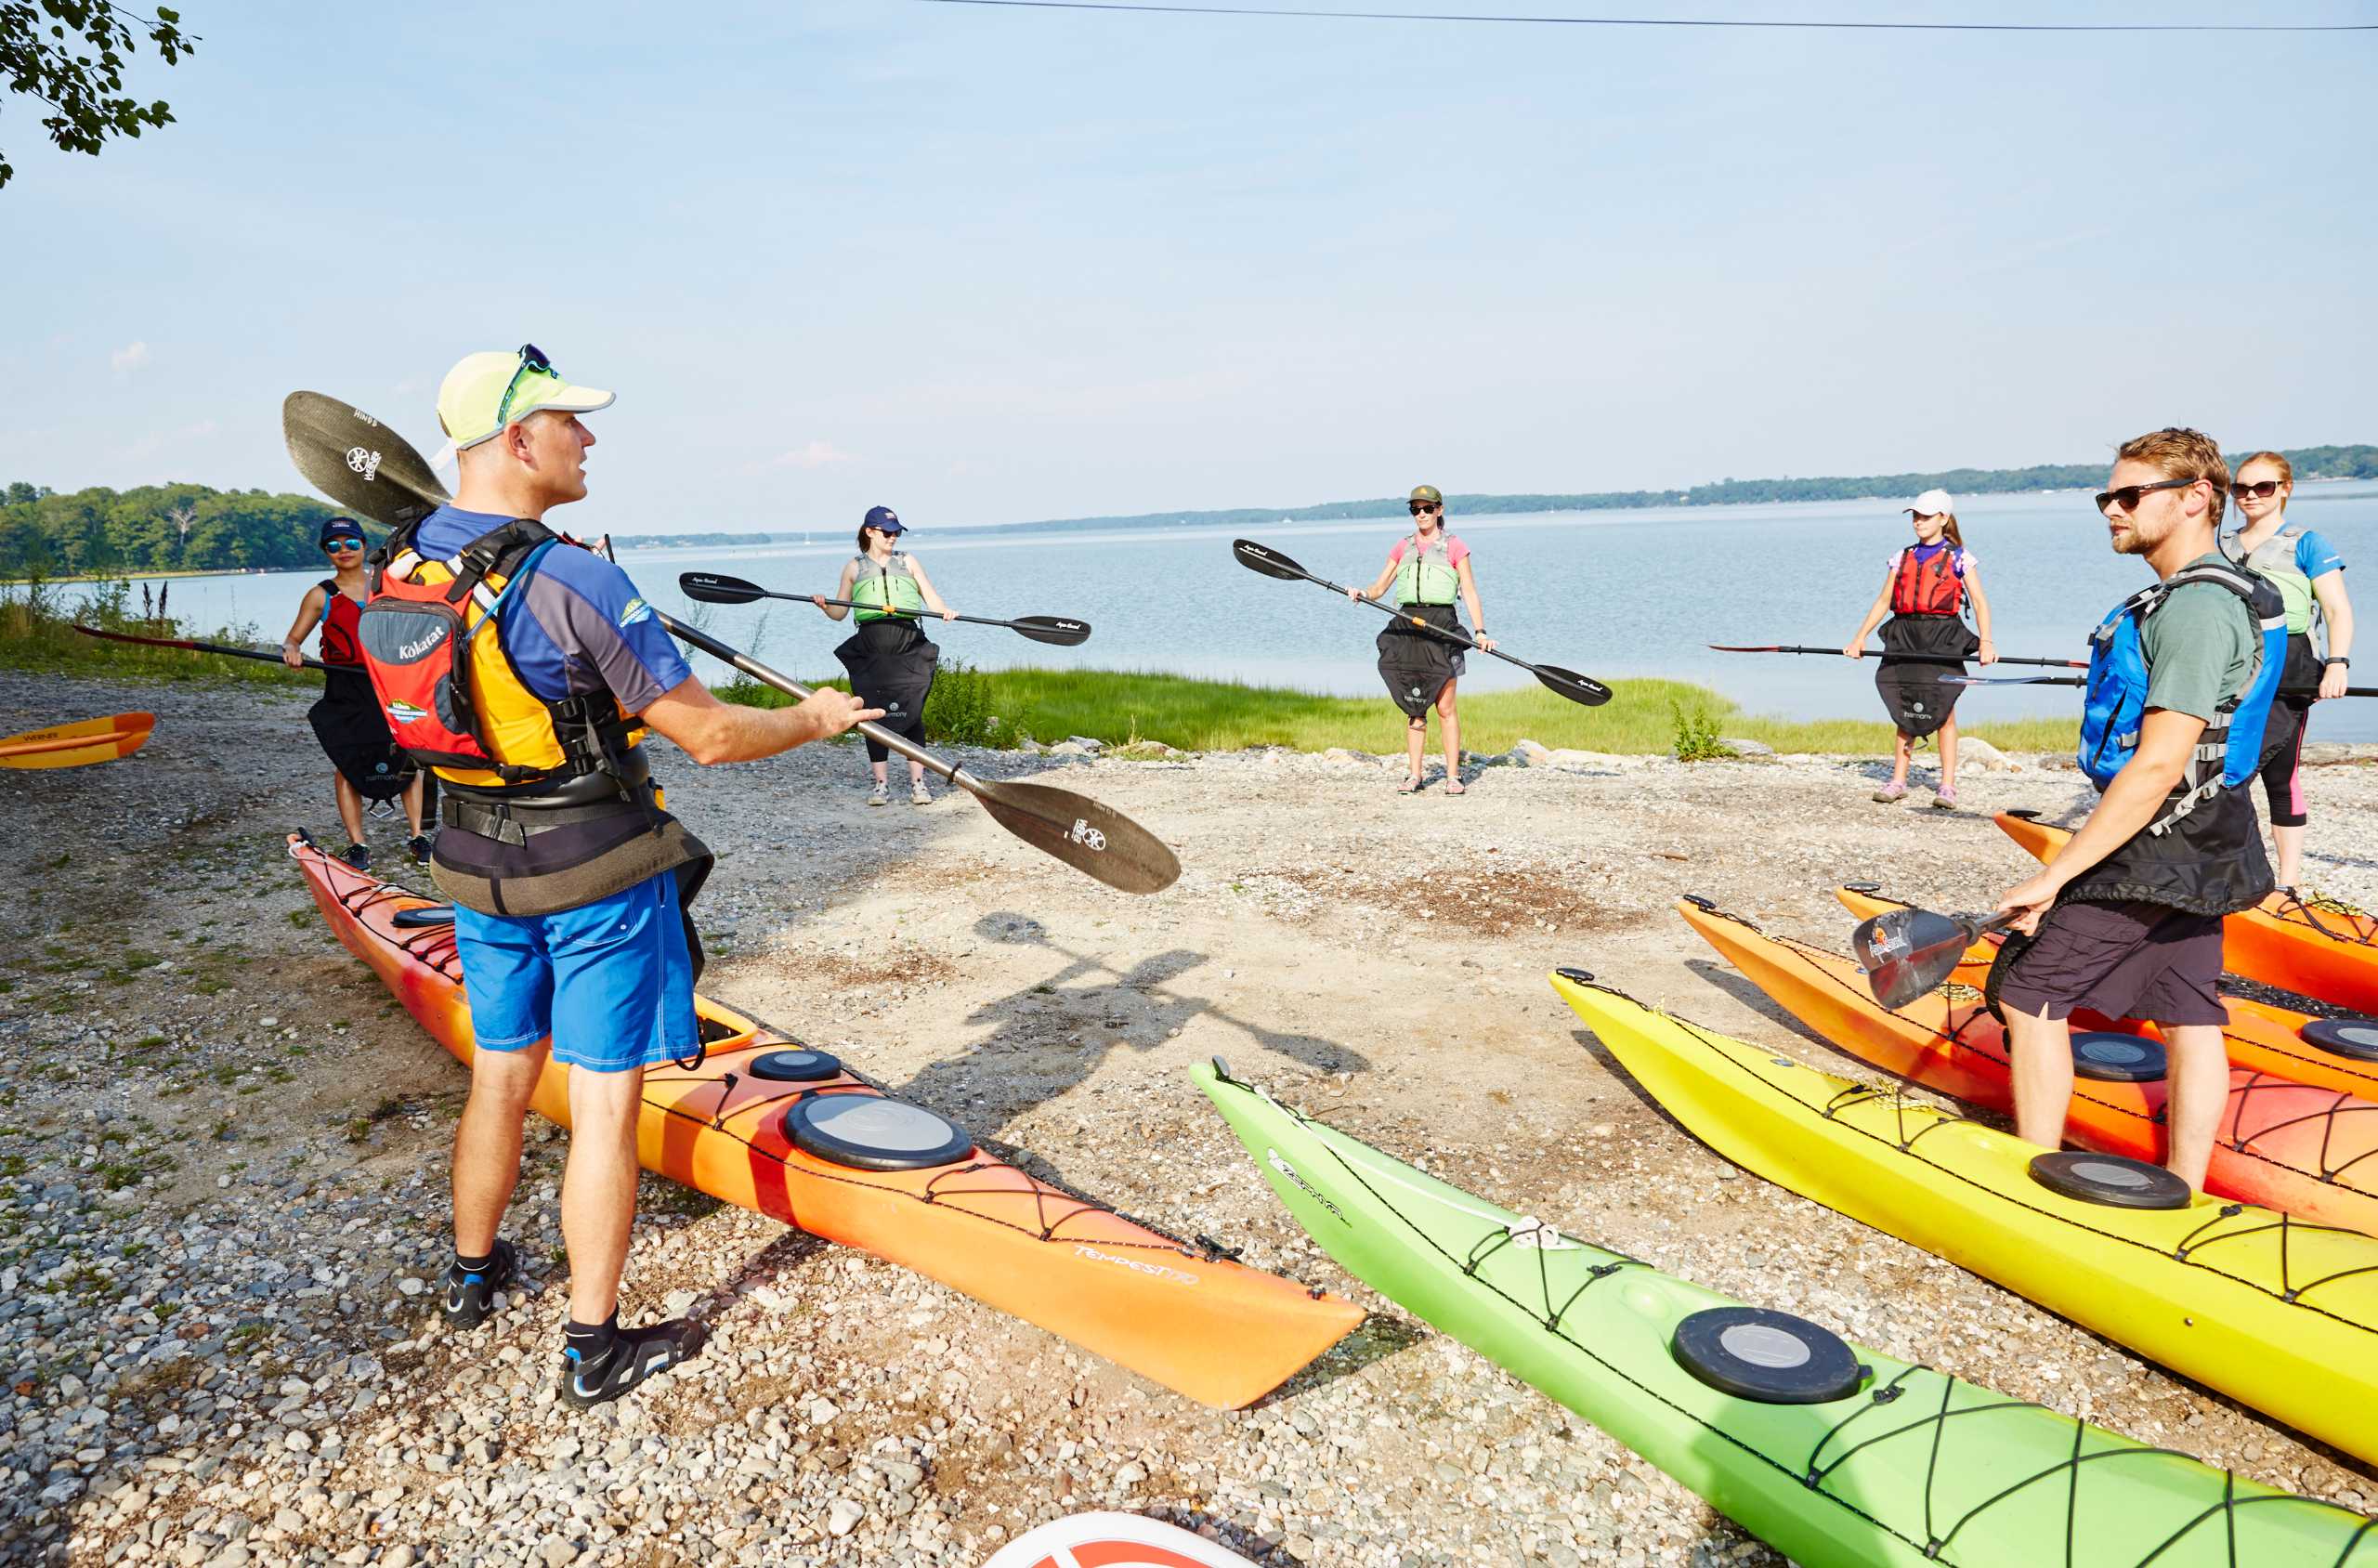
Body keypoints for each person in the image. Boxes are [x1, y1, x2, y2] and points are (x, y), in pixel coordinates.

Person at [364, 346, 878, 1407]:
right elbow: (713, 737)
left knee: (501, 1070)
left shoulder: (404, 564)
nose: (588, 437)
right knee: (604, 1103)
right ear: (518, 441)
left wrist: (565, 588)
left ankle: (472, 1278)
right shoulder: (573, 576)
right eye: (570, 422)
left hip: (472, 862)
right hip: (592, 871)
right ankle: (593, 1347)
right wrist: (818, 716)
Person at [1992, 427, 2284, 1192]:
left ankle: (2033, 1174)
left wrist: (2053, 876)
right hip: (2214, 831)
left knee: (2031, 991)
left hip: (2161, 837)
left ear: (2195, 499)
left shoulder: (2194, 609)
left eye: (2130, 495)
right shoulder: (2204, 592)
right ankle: (2180, 1183)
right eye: (2107, 497)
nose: (2111, 510)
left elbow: (2157, 763)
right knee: (2188, 1006)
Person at [2222, 450, 2354, 891]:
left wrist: (2336, 663)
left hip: (2290, 666)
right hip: (2231, 664)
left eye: (2263, 487)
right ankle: (2227, 869)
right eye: (2241, 488)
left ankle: (2287, 882)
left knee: (2277, 773)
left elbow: (2336, 610)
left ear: (2285, 490)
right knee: (2221, 767)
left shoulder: (2307, 543)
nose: (2250, 496)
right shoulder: (2220, 544)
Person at [280, 515, 431, 868]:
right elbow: (292, 638)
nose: (343, 550)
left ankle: (418, 836)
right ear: (326, 552)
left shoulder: (385, 585)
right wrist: (292, 650)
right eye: (333, 546)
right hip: (345, 684)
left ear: (365, 546)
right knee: (347, 762)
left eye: (351, 543)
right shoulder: (321, 595)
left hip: (390, 682)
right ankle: (358, 844)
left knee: (408, 758)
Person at [1844, 489, 1997, 808]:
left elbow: (1980, 602)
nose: (1918, 522)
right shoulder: (1902, 557)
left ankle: (1947, 786)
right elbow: (1885, 601)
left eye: (1925, 516)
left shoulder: (1959, 557)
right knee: (1904, 707)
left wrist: (1986, 641)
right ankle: (1898, 781)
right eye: (1915, 515)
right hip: (1905, 634)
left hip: (1942, 637)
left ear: (1943, 518)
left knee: (1944, 710)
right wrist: (1860, 638)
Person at [1352, 485, 1495, 794]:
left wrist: (1481, 631)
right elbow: (1379, 588)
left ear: (1439, 510)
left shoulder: (1455, 546)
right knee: (1414, 706)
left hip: (1441, 625)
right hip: (1407, 626)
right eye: (1415, 509)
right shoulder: (1402, 547)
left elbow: (1468, 591)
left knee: (1445, 706)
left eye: (1428, 508)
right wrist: (1362, 593)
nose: (1421, 514)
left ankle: (1453, 776)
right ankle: (1414, 776)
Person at [813, 505, 956, 805]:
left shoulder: (908, 561)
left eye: (896, 532)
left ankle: (918, 784)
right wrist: (825, 606)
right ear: (869, 532)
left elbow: (931, 597)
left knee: (912, 712)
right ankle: (881, 785)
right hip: (871, 647)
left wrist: (944, 611)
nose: (893, 537)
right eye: (887, 532)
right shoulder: (854, 568)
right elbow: (840, 612)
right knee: (874, 713)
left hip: (907, 643)